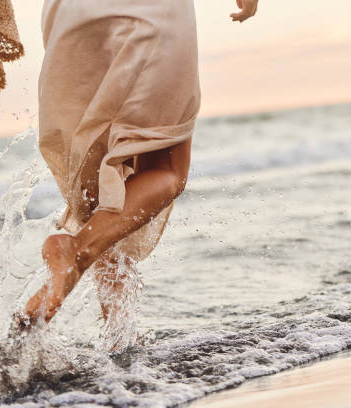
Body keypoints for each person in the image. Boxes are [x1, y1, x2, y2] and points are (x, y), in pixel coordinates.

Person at [21, 0, 259, 332]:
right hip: (148, 10)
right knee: (165, 169)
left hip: (68, 14)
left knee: (101, 198)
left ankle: (115, 344)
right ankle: (74, 252)